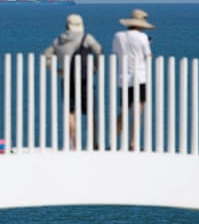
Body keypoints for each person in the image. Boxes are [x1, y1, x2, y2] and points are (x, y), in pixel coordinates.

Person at [43, 14, 102, 150]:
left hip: (67, 79)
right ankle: (93, 143)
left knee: (71, 112)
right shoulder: (86, 38)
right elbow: (99, 51)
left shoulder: (58, 41)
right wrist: (95, 68)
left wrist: (56, 71)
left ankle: (73, 144)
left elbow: (46, 56)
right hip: (84, 79)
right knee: (90, 112)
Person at [112, 9, 155, 150]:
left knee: (123, 111)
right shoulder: (142, 37)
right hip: (140, 78)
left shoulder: (118, 36)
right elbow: (148, 56)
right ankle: (132, 143)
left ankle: (113, 141)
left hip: (123, 78)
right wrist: (148, 45)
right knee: (137, 112)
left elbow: (116, 52)